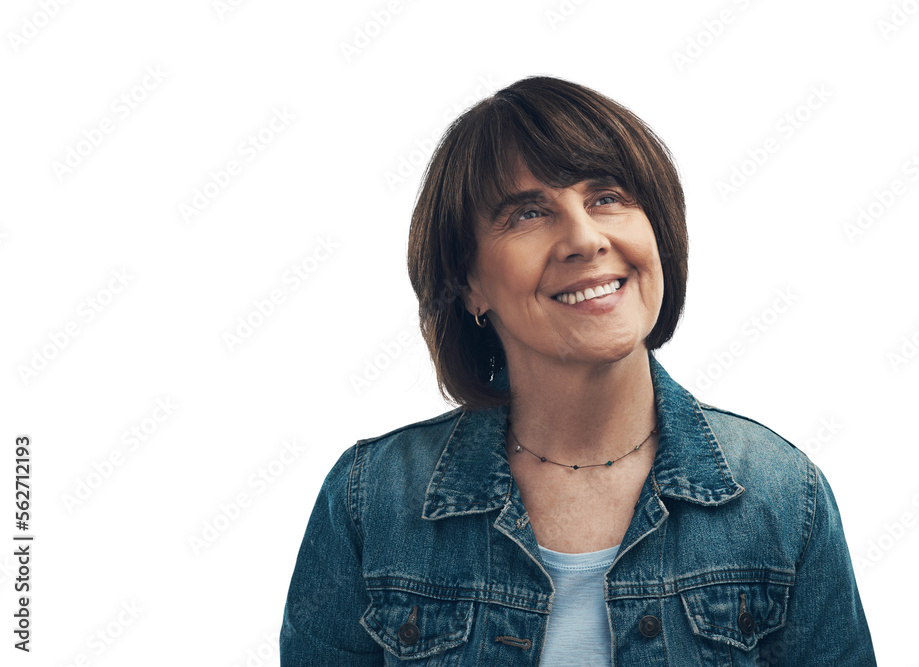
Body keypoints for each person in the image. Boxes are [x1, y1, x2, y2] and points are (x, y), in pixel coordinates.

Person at [279, 75, 877, 666]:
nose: (585, 239)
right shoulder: (371, 501)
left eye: (607, 197)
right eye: (529, 213)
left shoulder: (781, 495)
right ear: (468, 285)